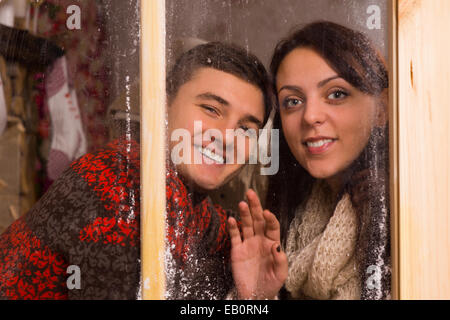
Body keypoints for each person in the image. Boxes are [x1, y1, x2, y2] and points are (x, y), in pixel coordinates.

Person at [0, 42, 275, 300]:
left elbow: (228, 242)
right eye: (211, 109)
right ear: (162, 108)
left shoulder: (187, 199)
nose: (227, 138)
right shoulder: (118, 185)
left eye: (245, 129)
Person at [228, 21, 390, 300]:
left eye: (336, 94)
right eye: (293, 101)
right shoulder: (287, 219)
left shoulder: (408, 216)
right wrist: (255, 298)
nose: (310, 116)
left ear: (381, 111)